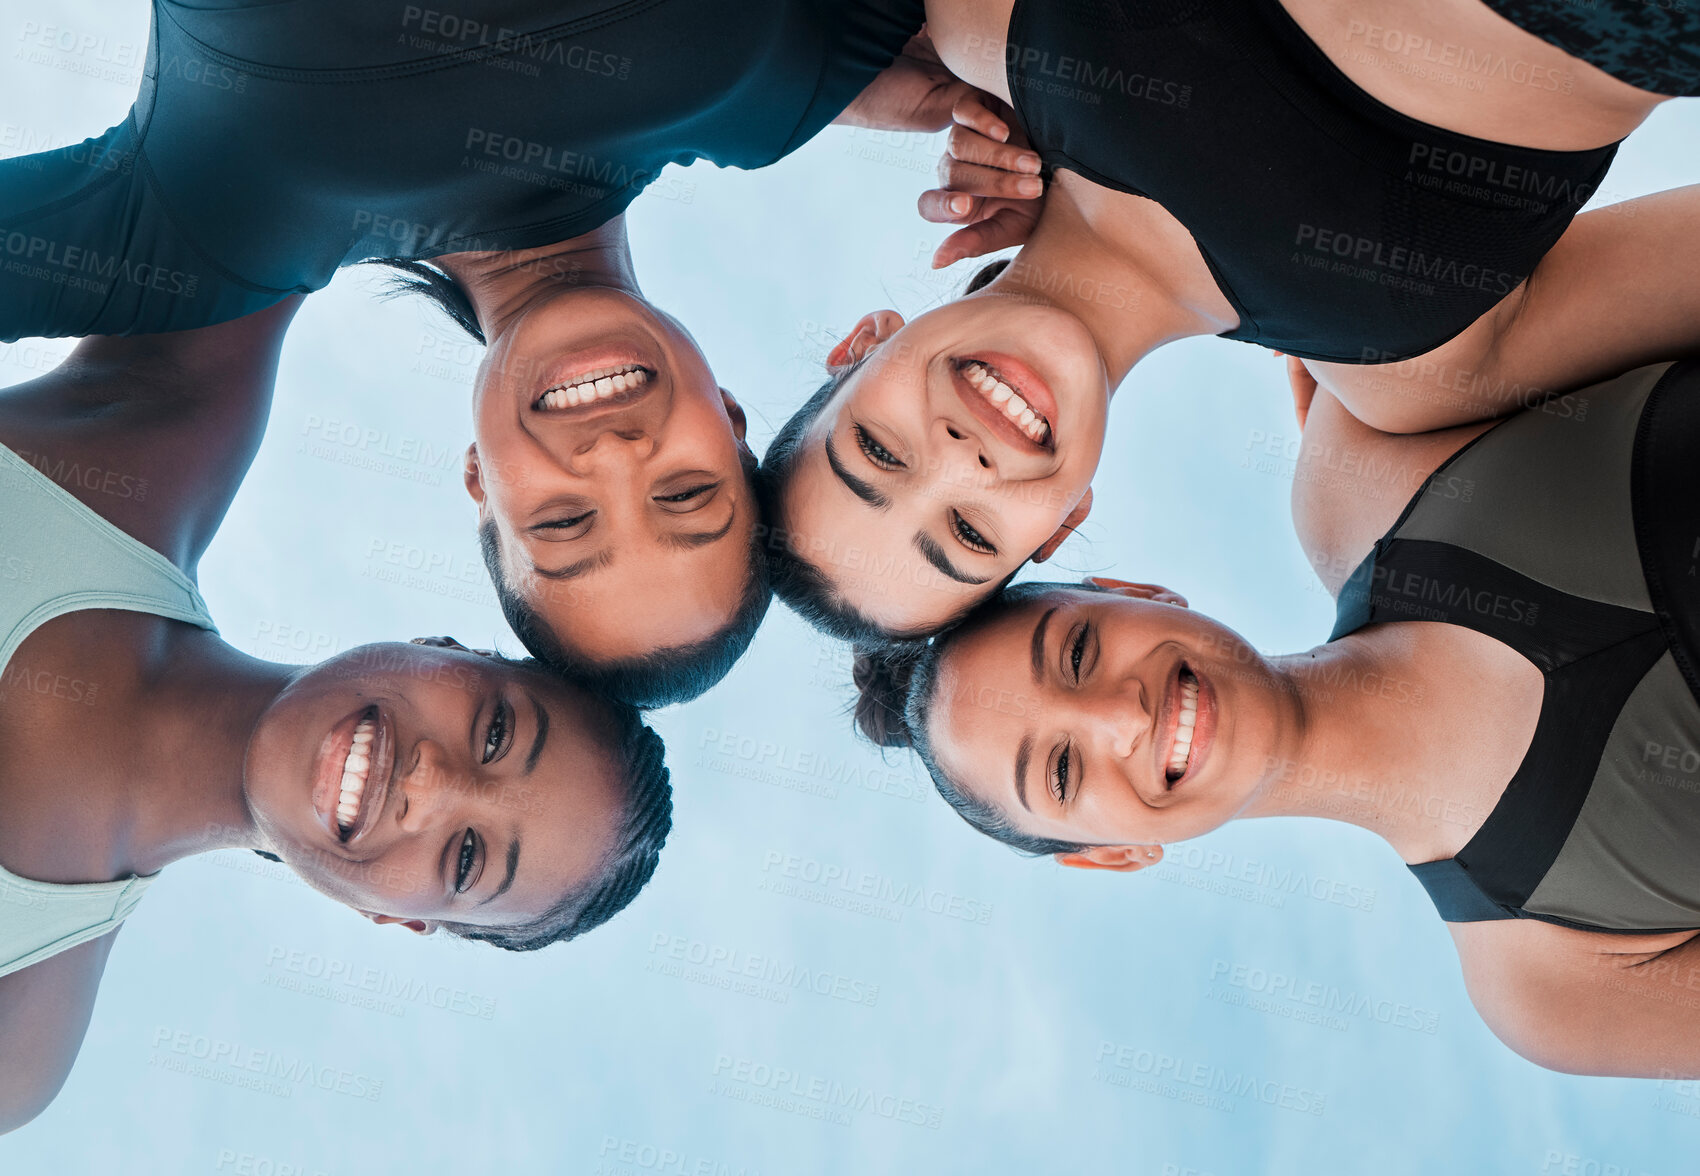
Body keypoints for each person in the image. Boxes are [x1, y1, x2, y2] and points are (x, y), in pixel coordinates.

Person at [0, 0, 1011, 705]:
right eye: (684, 495)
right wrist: (1017, 103)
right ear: (731, 417)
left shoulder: (216, 239)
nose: (615, 456)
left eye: (564, 521)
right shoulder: (780, 85)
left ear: (482, 480)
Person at [851, 349, 1700, 1077]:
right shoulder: (1549, 986)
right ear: (1113, 856)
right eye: (1064, 770)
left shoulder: (1365, 457)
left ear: (1133, 592)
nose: (1122, 718)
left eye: (1077, 654)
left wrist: (1351, 324)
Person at [758, 0, 1700, 642]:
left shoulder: (981, 24)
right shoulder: (1409, 371)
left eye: (880, 454)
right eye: (969, 535)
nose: (961, 459)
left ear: (863, 346)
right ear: (1060, 528)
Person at [0, 301, 674, 1131]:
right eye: (495, 733)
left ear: (392, 917)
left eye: (465, 858)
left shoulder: (15, 1033)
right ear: (448, 647)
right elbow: (310, 178)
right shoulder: (167, 422)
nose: (430, 782)